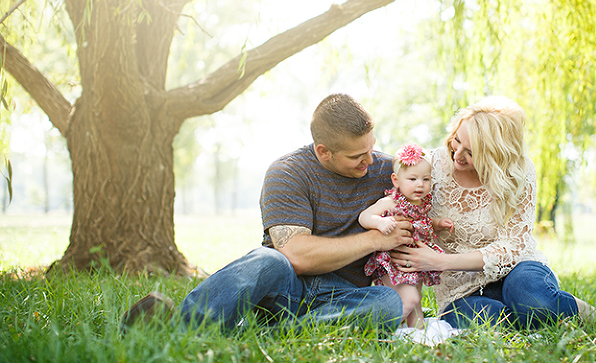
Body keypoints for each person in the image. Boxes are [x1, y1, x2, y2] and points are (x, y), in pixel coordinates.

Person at [121, 94, 412, 333]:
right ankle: (182, 327)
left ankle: (259, 336)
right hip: (285, 288)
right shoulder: (288, 172)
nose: (370, 161)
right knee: (267, 259)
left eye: (371, 148)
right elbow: (296, 255)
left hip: (344, 296)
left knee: (386, 303)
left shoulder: (389, 172)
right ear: (324, 152)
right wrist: (376, 240)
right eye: (356, 156)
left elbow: (437, 179)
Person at [389, 97, 596, 330]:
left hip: (517, 270)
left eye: (471, 152)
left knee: (534, 302)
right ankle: (556, 314)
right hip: (461, 289)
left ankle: (575, 312)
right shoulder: (432, 166)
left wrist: (441, 261)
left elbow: (513, 246)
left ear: (494, 154)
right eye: (457, 140)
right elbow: (404, 203)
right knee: (486, 321)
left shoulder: (519, 172)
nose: (458, 154)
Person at [359, 143, 453, 328]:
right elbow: (364, 217)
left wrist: (438, 223)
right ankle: (377, 329)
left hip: (414, 264)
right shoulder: (391, 202)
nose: (420, 184)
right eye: (412, 179)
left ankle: (415, 333)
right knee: (409, 299)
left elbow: (421, 223)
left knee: (416, 306)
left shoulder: (421, 204)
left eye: (426, 179)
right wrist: (381, 222)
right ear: (396, 180)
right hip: (394, 264)